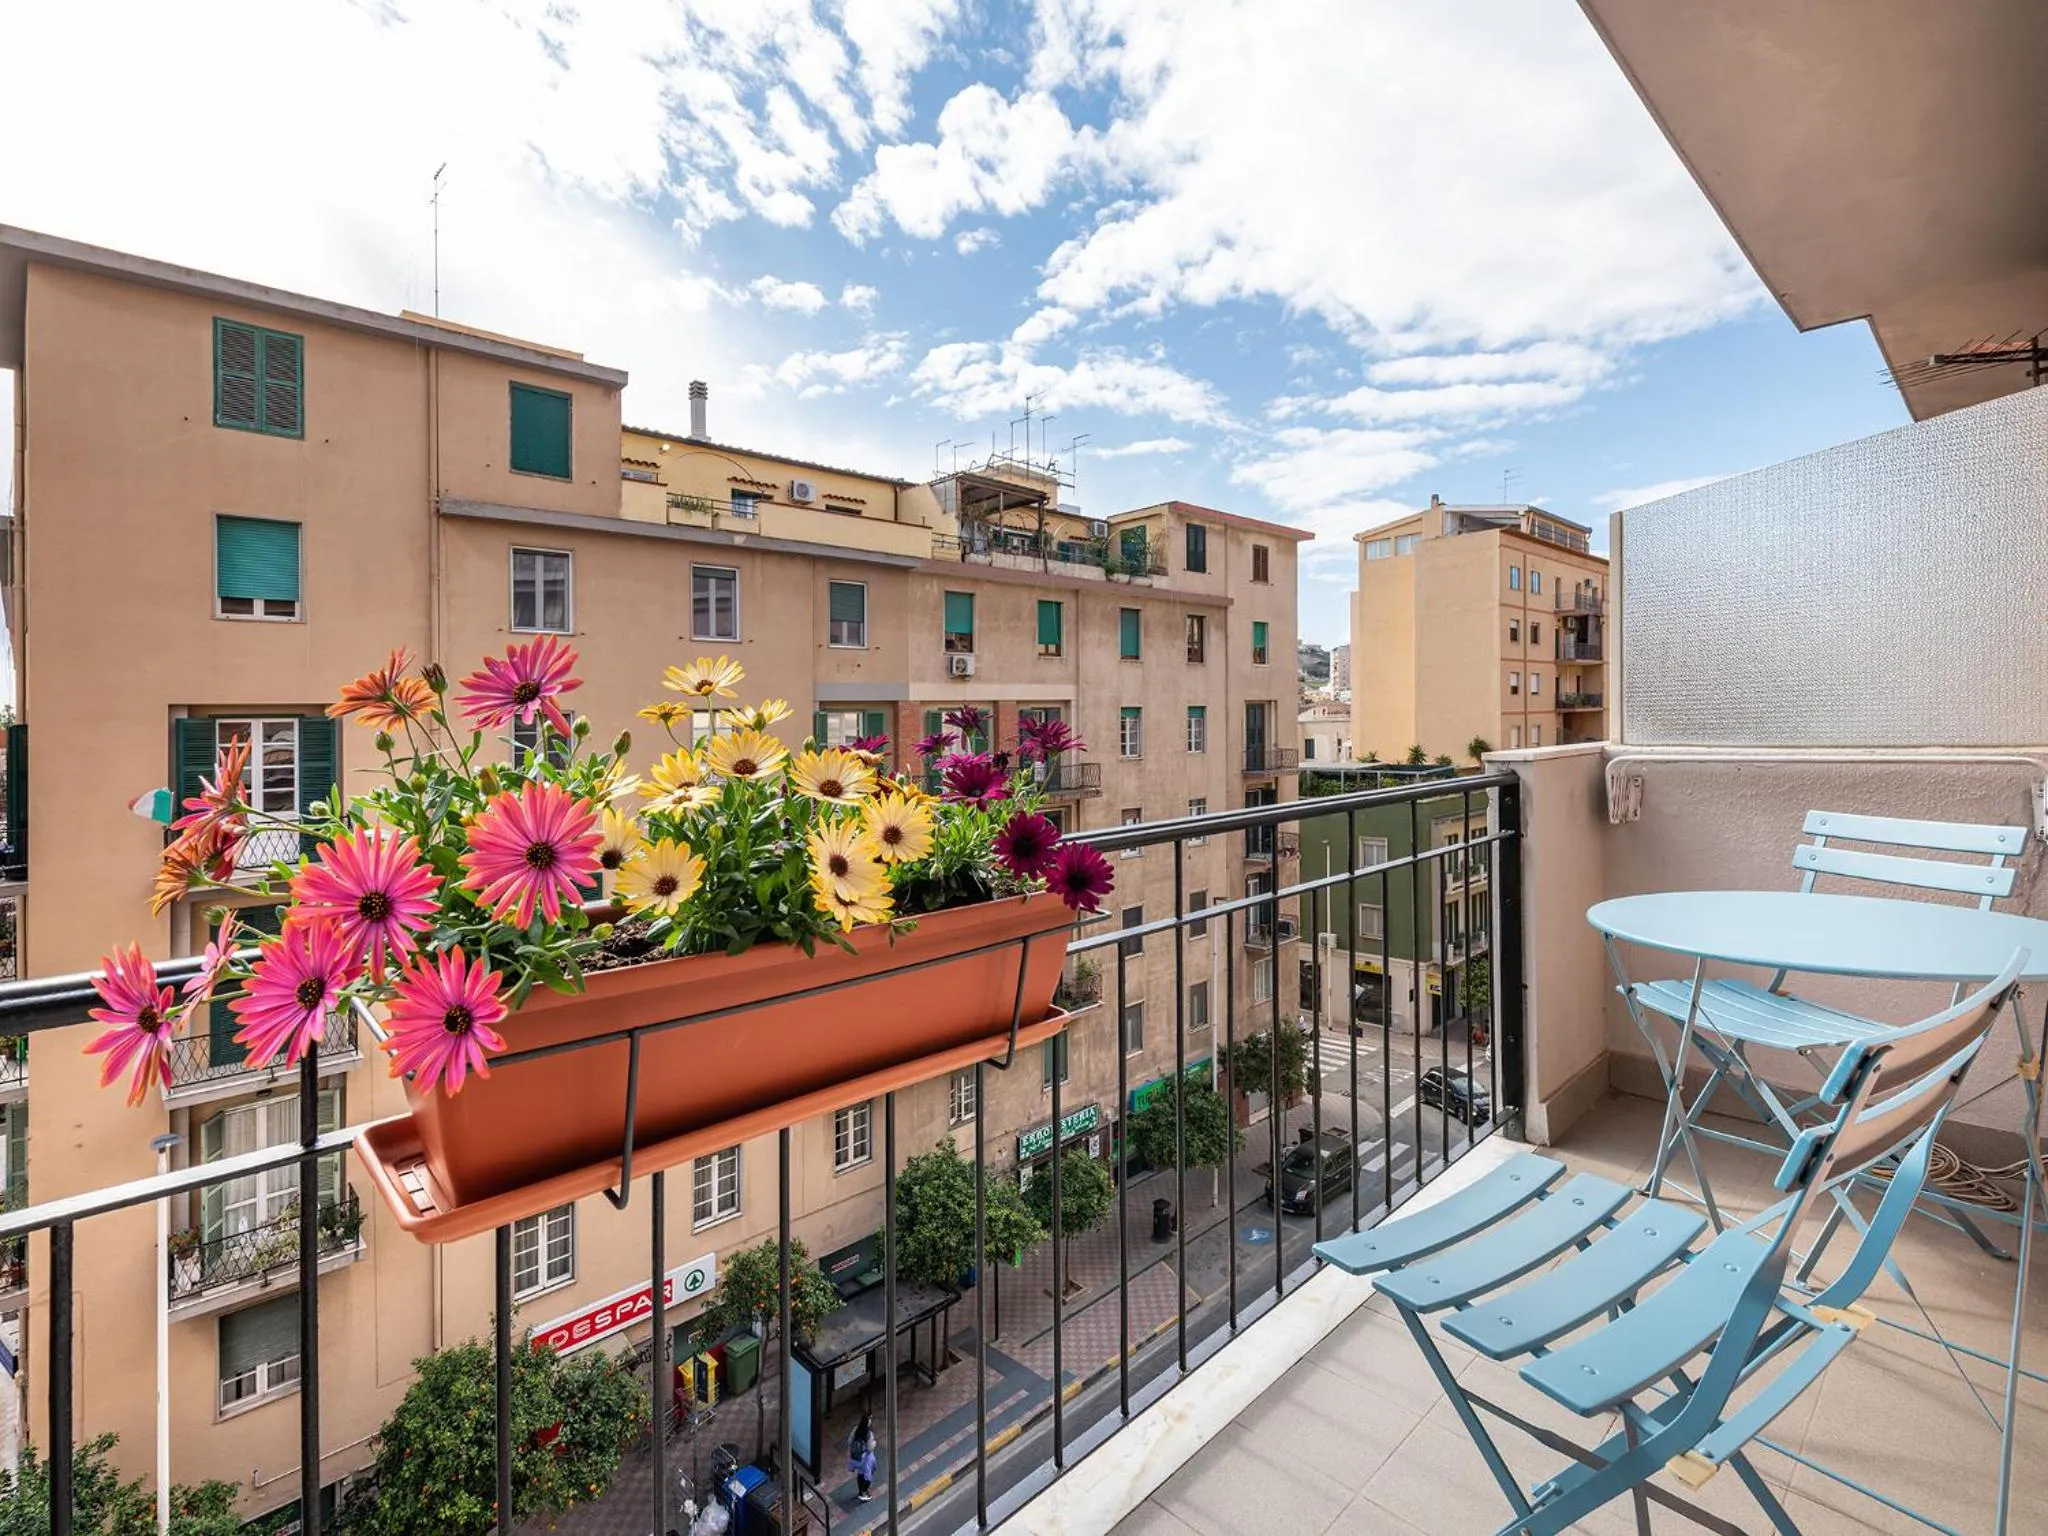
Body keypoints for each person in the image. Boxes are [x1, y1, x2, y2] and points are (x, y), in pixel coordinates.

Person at [849, 1410, 878, 1503]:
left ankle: (860, 1491)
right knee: (868, 1474)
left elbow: (849, 1441)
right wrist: (874, 1443)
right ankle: (863, 1492)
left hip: (856, 1458)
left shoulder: (856, 1429)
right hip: (866, 1459)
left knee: (860, 1474)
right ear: (868, 1422)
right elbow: (870, 1448)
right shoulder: (869, 1434)